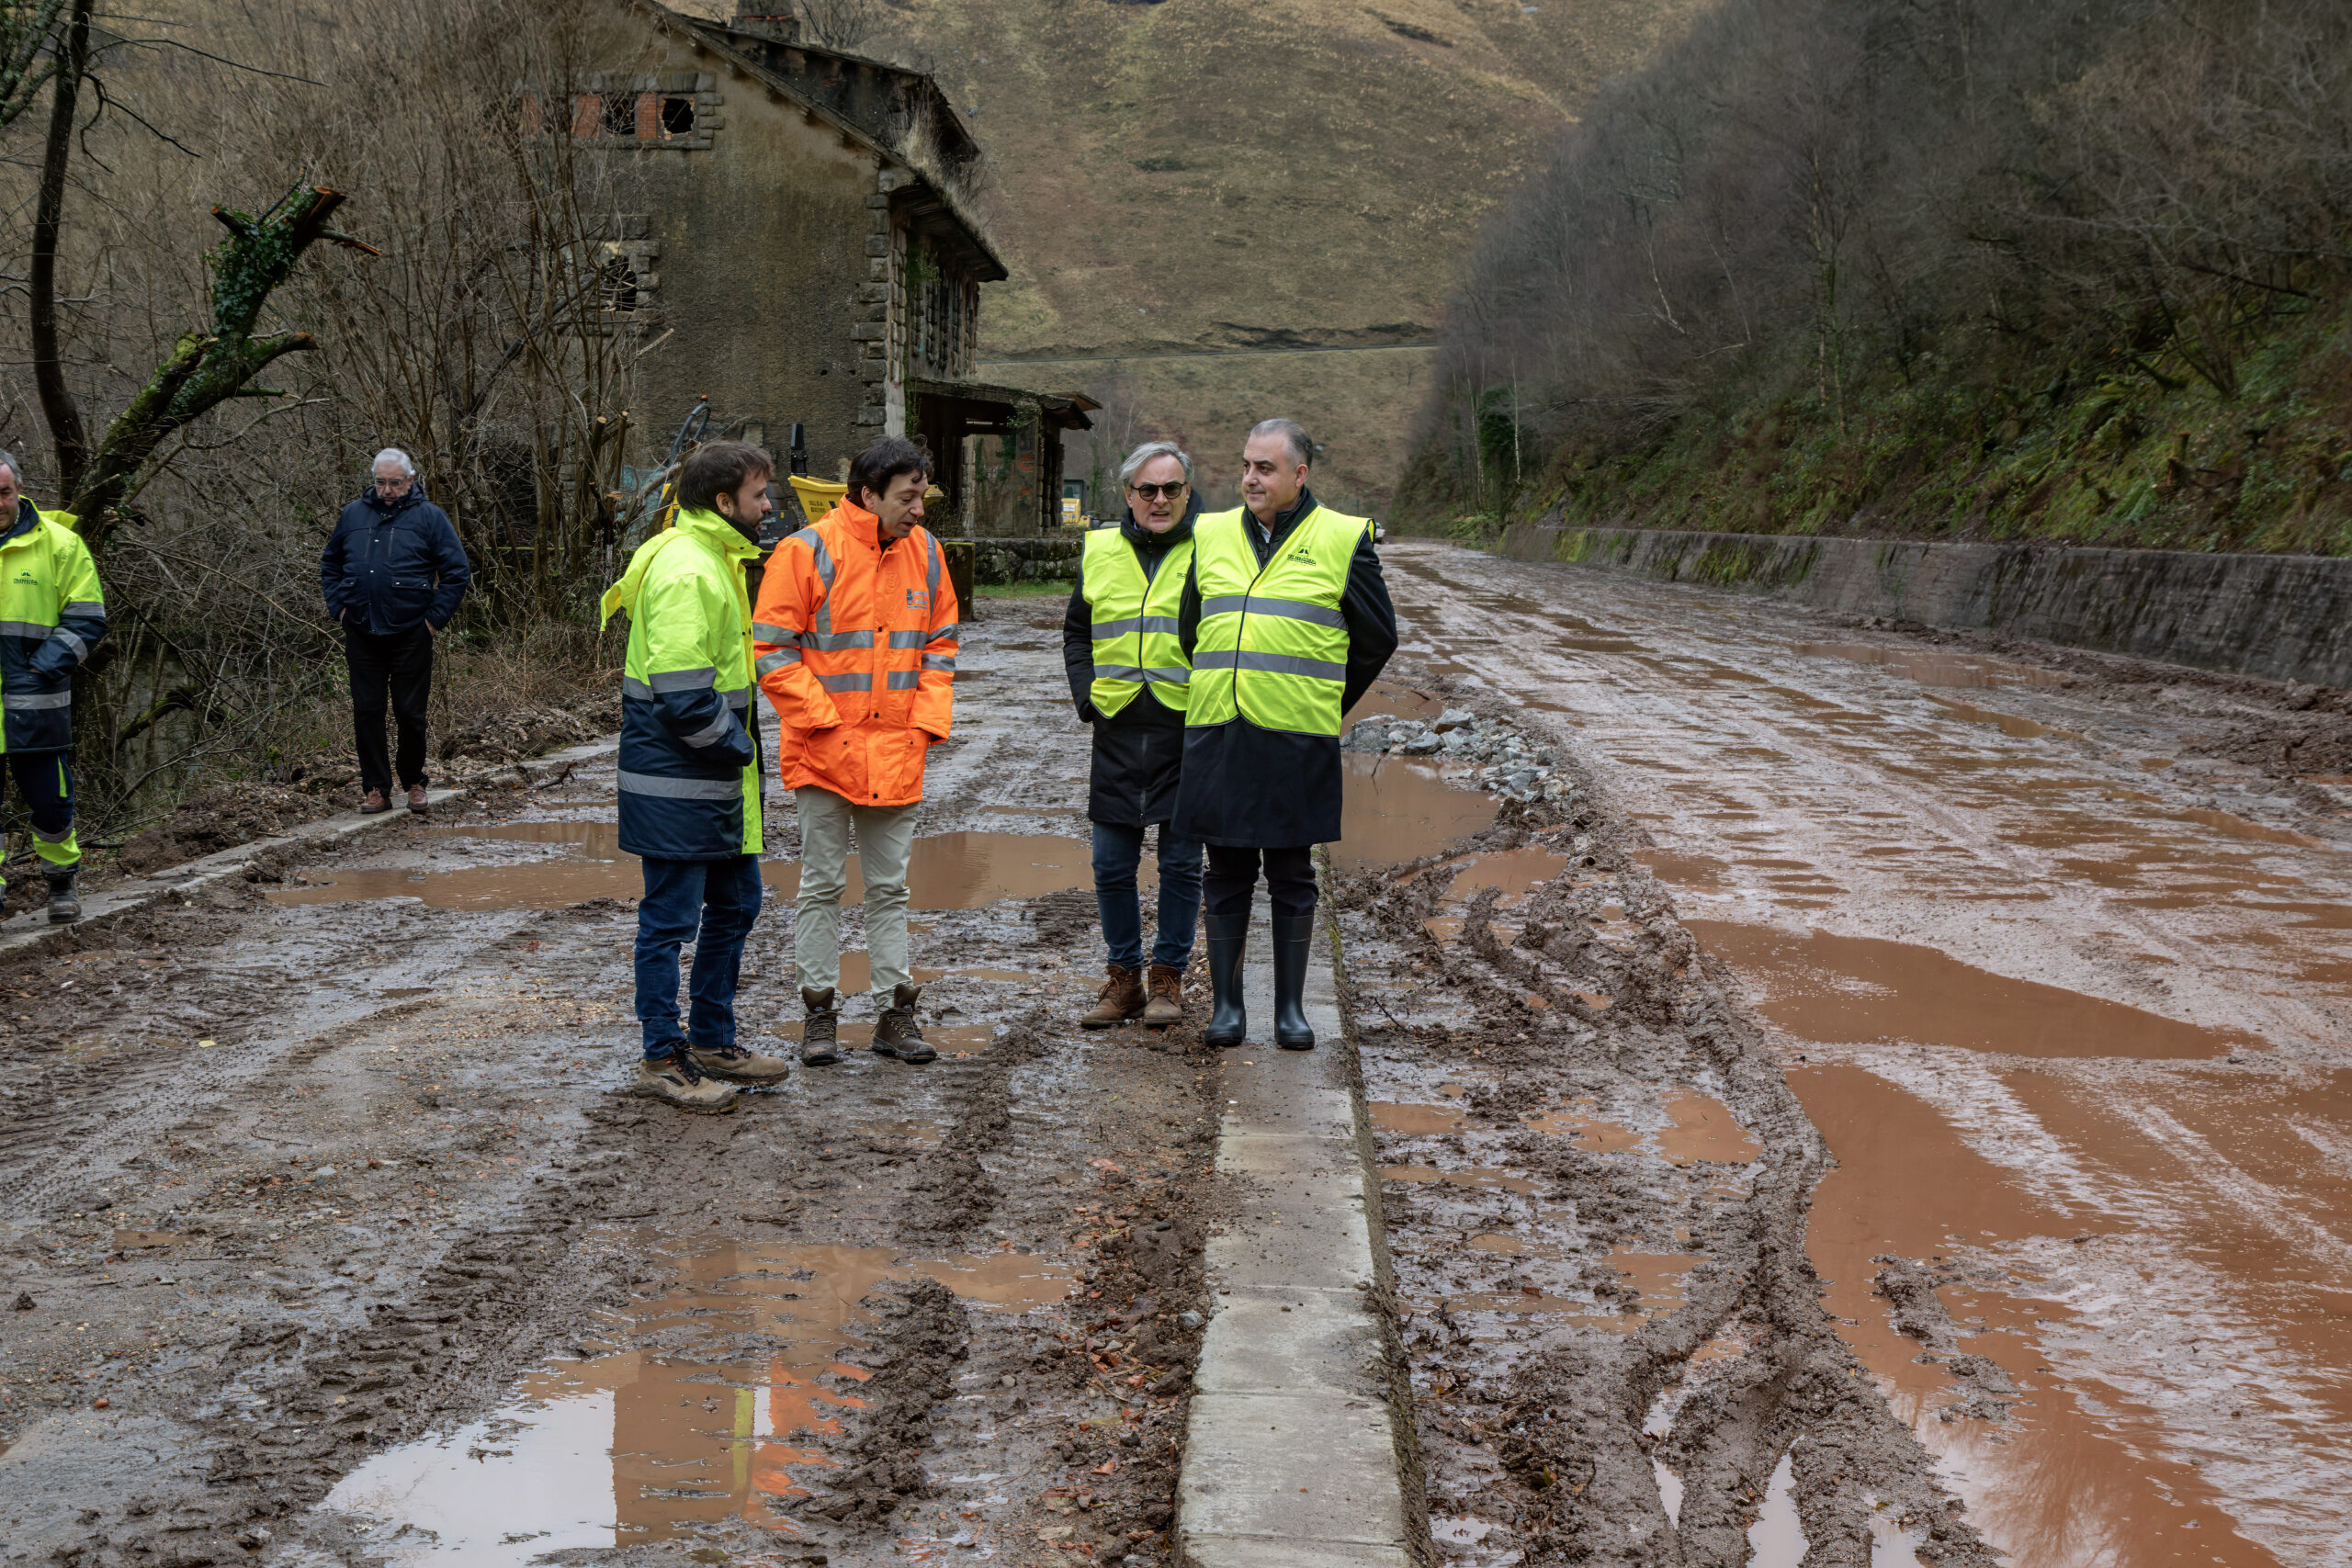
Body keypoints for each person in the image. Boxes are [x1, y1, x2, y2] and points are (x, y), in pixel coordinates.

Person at [1174, 418, 1396, 1050]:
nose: (1250, 478)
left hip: (1297, 737)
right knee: (1226, 870)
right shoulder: (1211, 532)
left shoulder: (1343, 539)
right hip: (1220, 729)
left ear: (1300, 474)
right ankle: (1227, 1008)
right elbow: (1192, 628)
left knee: (1292, 872)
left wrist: (1322, 698)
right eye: (1247, 465)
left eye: (1265, 468)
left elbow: (1377, 637)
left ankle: (1291, 1011)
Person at [601, 439, 795, 1112]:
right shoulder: (689, 570)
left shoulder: (713, 557)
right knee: (670, 922)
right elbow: (684, 697)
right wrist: (739, 749)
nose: (768, 507)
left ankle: (711, 1040)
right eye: (758, 495)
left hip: (708, 784)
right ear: (723, 502)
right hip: (682, 782)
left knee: (737, 905)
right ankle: (661, 1056)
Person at [753, 436, 957, 1067]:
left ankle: (896, 1016)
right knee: (821, 885)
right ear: (868, 495)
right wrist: (823, 722)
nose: (919, 509)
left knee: (889, 888)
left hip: (895, 753)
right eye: (908, 497)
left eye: (922, 496)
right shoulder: (805, 550)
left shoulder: (927, 553)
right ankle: (819, 1016)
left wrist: (923, 726)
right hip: (822, 753)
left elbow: (941, 645)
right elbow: (772, 649)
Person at [1063, 440, 1204, 1029]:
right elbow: (1077, 633)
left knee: (1182, 865)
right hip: (1117, 726)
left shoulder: (1209, 549)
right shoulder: (1100, 549)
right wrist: (1087, 696)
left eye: (1171, 488)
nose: (1159, 499)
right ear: (1128, 494)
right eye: (1148, 489)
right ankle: (1124, 981)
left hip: (1185, 728)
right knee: (1110, 865)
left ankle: (1167, 978)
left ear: (1187, 493)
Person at [319, 448, 472, 815]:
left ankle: (414, 782)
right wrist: (339, 608)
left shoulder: (430, 517)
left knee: (410, 712)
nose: (387, 490)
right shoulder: (353, 514)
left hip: (411, 631)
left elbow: (457, 572)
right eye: (381, 482)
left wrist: (433, 620)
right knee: (367, 711)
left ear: (410, 480)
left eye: (395, 483)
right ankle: (376, 789)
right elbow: (331, 564)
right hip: (361, 629)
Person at [0, 451, 105, 924]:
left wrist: (41, 668)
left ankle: (62, 882)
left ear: (18, 490)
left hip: (36, 702)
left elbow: (87, 619)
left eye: (4, 492)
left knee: (50, 801)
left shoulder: (60, 544)